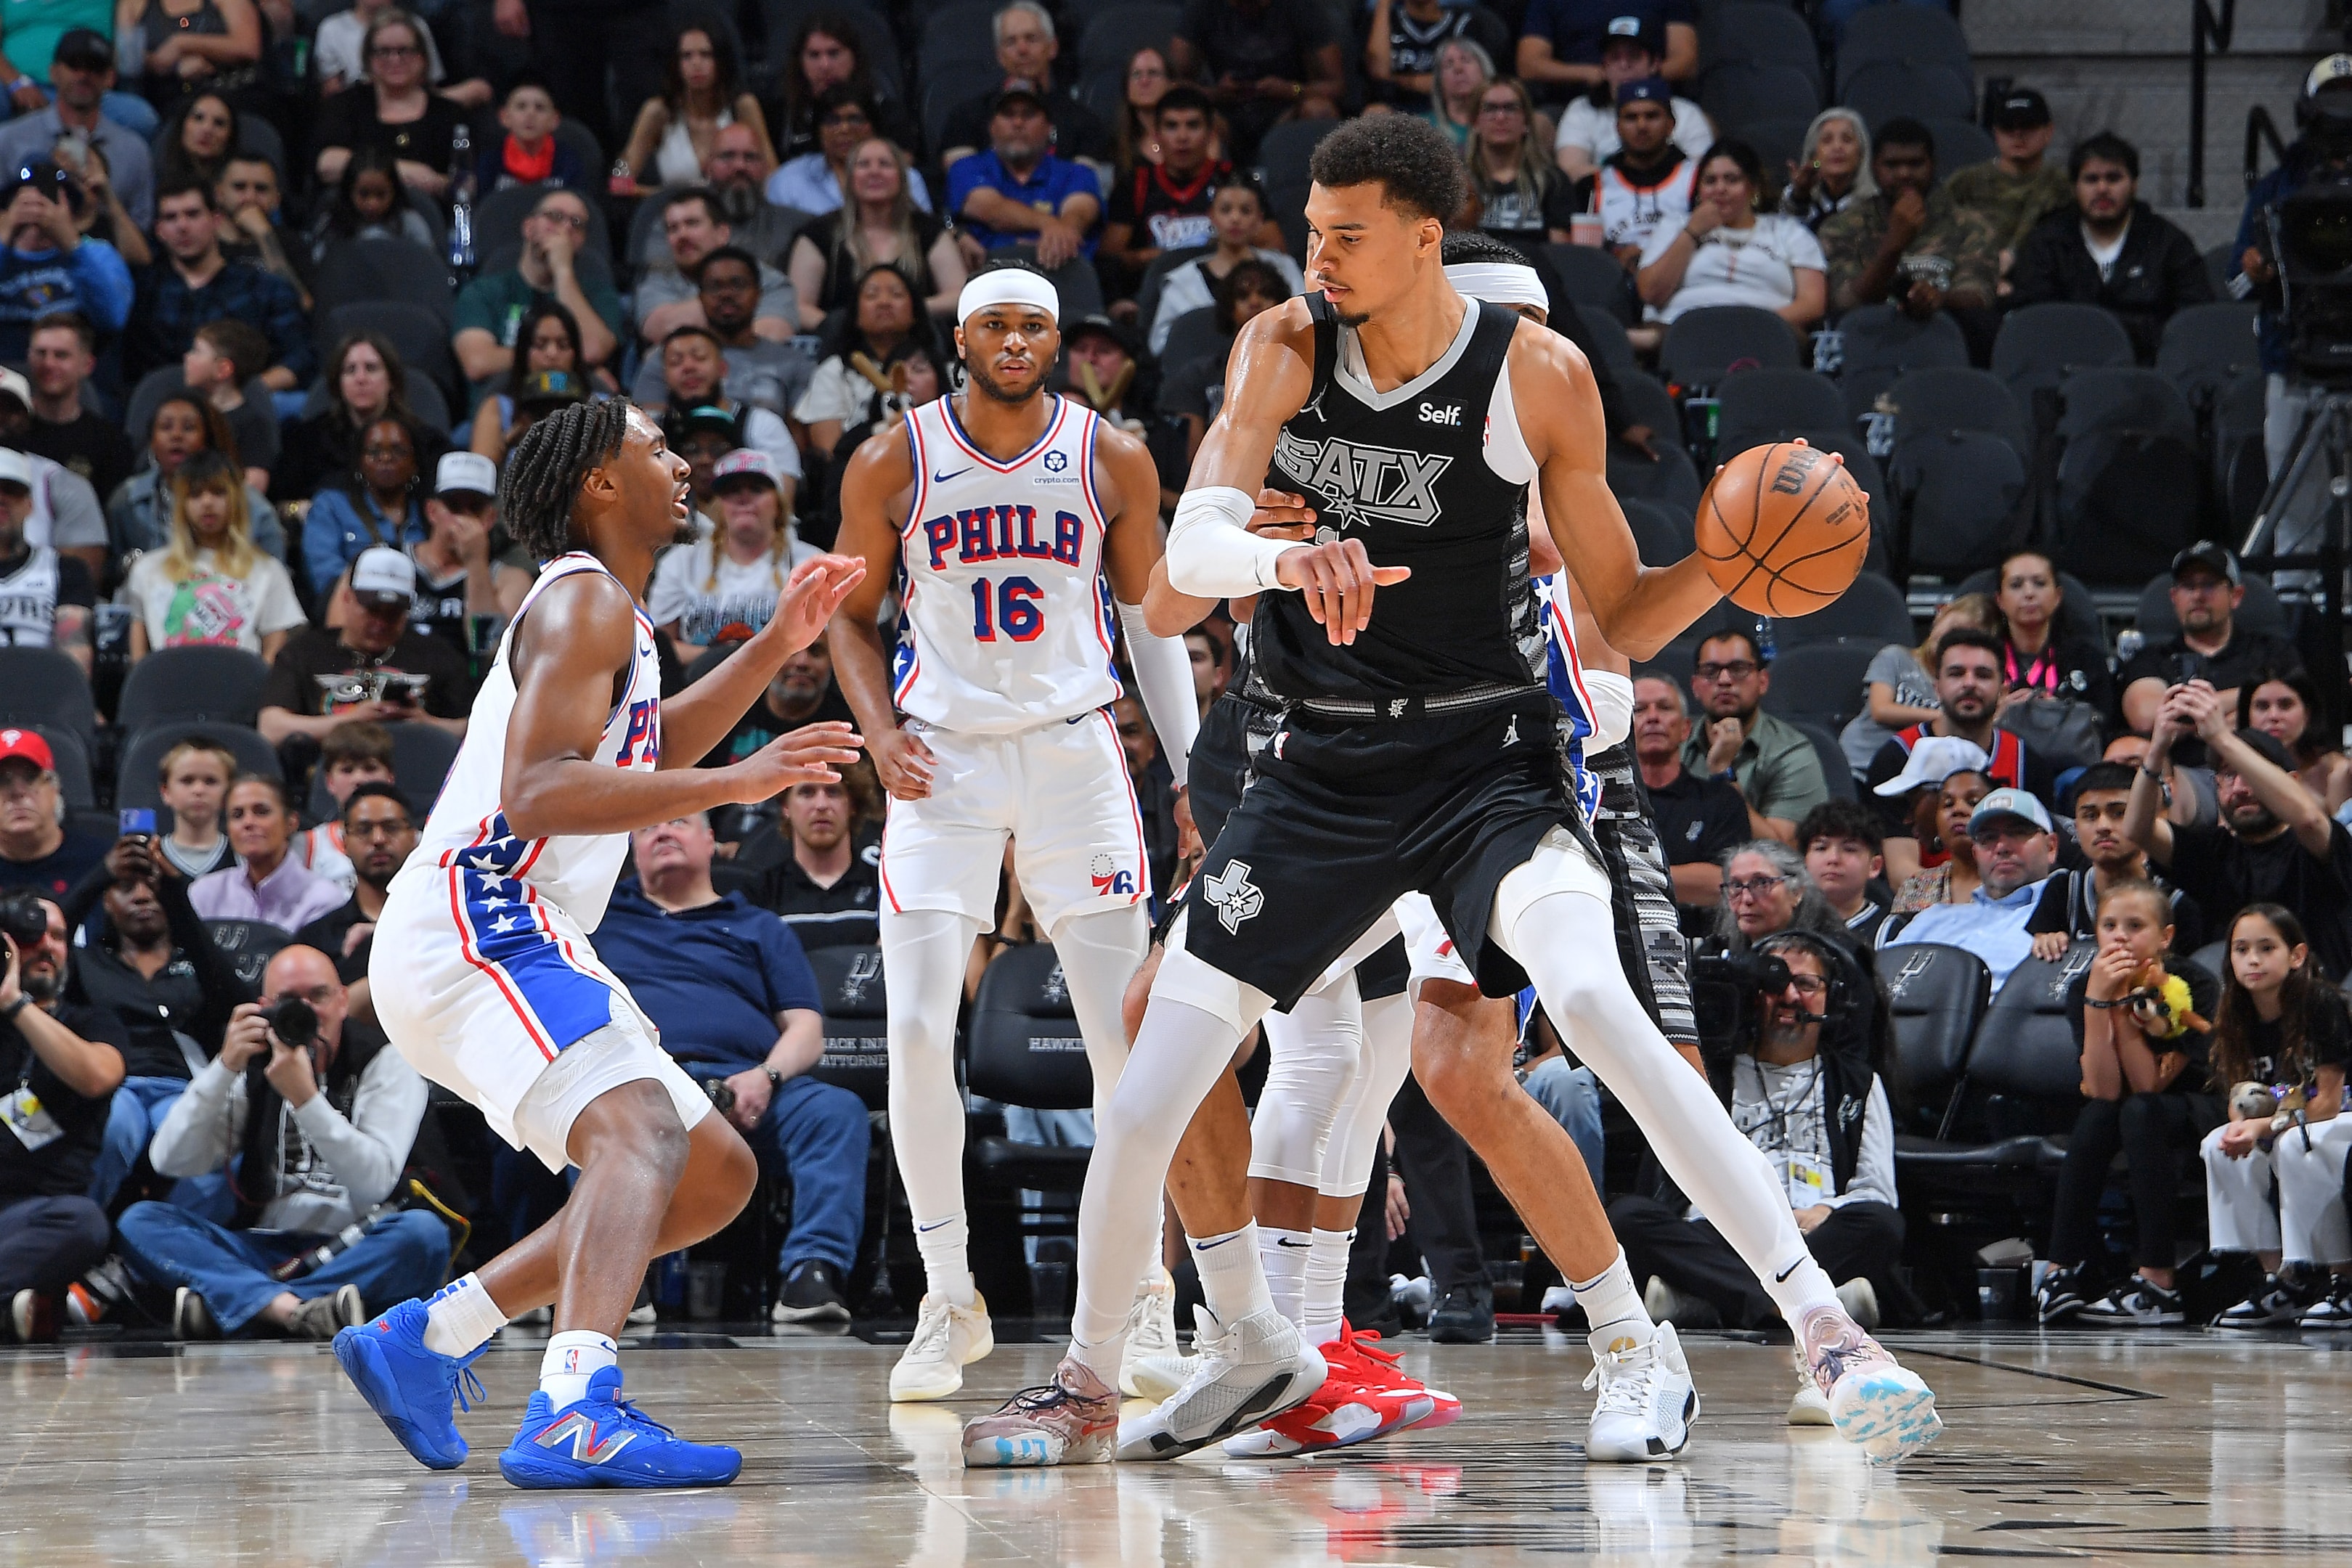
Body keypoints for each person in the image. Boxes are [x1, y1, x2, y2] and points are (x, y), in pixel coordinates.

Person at [963, 115, 1937, 1469]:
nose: (1313, 255)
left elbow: (1626, 610)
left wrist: (1727, 558)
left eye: (1341, 234)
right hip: (1317, 771)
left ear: (1427, 241)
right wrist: (1273, 558)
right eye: (1309, 229)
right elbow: (1181, 554)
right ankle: (1119, 1368)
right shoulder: (1281, 344)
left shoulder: (1535, 378)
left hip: (1486, 762)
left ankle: (1825, 1333)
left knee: (1572, 1012)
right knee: (1150, 1077)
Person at [335, 397, 866, 1489]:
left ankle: (428, 1339)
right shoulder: (582, 605)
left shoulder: (613, 615)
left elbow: (646, 745)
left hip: (511, 932)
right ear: (598, 482)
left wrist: (774, 645)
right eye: (658, 449)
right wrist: (738, 785)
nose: (683, 465)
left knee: (711, 1175)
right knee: (637, 1137)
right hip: (487, 916)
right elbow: (534, 796)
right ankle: (576, 1405)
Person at [829, 261, 1203, 1403]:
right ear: (959, 335)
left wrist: (1187, 773)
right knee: (911, 1032)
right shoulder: (895, 455)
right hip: (939, 758)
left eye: (1032, 325)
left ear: (1059, 342)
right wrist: (877, 729)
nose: (1012, 340)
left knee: (1120, 1043)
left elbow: (1150, 627)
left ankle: (1144, 1300)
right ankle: (950, 1300)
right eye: (993, 322)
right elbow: (848, 618)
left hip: (1072, 751)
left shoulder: (1111, 456)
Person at [593, 811, 868, 1323]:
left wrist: (766, 1077)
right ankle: (617, 1276)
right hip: (642, 1083)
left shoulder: (759, 927)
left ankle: (813, 1273)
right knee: (591, 1107)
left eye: (679, 822)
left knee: (834, 1110)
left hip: (747, 1084)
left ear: (710, 842)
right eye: (649, 826)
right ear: (631, 848)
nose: (664, 832)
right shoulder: (599, 923)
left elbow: (806, 1029)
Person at [1610, 931, 1904, 1401]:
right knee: (1627, 1218)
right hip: (1725, 1228)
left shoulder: (1856, 1082)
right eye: (1773, 983)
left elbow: (1877, 1189)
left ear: (1833, 996)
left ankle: (1709, 1298)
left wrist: (1827, 1210)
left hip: (1815, 1231)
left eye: (1806, 984)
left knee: (1881, 1225)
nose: (1789, 996)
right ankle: (1805, 1305)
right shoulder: (1712, 1072)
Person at [115, 944, 443, 1340]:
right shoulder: (254, 1064)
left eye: (317, 996)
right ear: (265, 1007)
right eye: (289, 1001)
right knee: (142, 1220)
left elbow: (375, 1181)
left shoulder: (385, 1062)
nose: (305, 1012)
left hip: (357, 1245)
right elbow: (170, 1159)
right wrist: (223, 1068)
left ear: (343, 1001)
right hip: (262, 1248)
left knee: (424, 1236)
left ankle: (246, 1304)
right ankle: (300, 1311)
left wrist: (306, 1100)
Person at [2032, 880, 2222, 1327]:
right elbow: (2102, 1088)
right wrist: (2099, 1001)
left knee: (2140, 1111)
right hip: (2127, 1107)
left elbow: (2149, 1084)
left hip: (2196, 1106)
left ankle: (2158, 1280)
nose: (2119, 936)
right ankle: (2062, 1270)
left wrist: (2118, 1006)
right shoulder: (2086, 984)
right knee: (2099, 1113)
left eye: (2135, 926)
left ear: (2165, 937)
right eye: (2109, 925)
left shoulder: (2191, 983)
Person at [65, 833, 245, 1210]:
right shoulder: (86, 963)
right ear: (107, 904)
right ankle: (82, 1239)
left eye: (152, 887)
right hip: (117, 1085)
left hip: (183, 1088)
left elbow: (237, 1001)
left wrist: (177, 892)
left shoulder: (195, 958)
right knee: (112, 1132)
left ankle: (163, 1238)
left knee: (216, 1153)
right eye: (126, 887)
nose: (142, 896)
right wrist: (101, 874)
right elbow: (44, 936)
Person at [2131, 683, 2352, 978]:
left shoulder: (2319, 841)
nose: (2240, 789)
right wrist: (2157, 749)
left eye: (2250, 775)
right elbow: (2137, 830)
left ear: (2290, 781)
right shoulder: (2213, 850)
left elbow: (2309, 819)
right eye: (2228, 775)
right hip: (2234, 1009)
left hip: (2318, 1006)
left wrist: (2221, 737)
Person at [2199, 905, 2352, 1328]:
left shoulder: (2320, 1003)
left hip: (2340, 1116)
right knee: (2218, 1143)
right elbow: (2242, 1095)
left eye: (2267, 948)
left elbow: (2327, 1102)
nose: (2252, 960)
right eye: (2241, 949)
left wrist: (2265, 1127)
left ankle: (2344, 1281)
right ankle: (2281, 1279)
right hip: (2292, 1119)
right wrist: (2242, 1126)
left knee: (2300, 1143)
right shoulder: (2236, 1011)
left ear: (2296, 955)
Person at [0, 891, 124, 1340]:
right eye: (33, 935)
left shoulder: (92, 1022)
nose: (48, 946)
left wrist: (16, 1005)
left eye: (59, 936)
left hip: (36, 1214)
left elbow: (97, 1076)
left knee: (84, 1222)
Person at [1865, 628, 2059, 880]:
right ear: (1936, 687)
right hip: (1922, 909)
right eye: (1956, 674)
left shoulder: (2028, 763)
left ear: (2003, 690)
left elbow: (2037, 863)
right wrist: (1963, 903)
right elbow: (1901, 875)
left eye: (1983, 675)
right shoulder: (1896, 757)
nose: (1969, 683)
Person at [2007, 132, 2212, 365]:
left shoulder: (2168, 242)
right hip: (2063, 368)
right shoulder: (2047, 241)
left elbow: (2194, 319)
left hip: (2148, 372)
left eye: (2114, 178)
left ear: (2134, 184)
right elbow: (2033, 318)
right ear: (2075, 187)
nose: (2102, 189)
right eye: (2091, 179)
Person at [256, 547, 471, 747]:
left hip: (415, 763)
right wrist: (351, 720)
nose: (380, 623)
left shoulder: (437, 654)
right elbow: (271, 727)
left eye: (392, 614)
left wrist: (427, 724)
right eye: (372, 610)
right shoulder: (304, 651)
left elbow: (474, 728)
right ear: (347, 599)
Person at [1818, 119, 2001, 353]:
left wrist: (1937, 299)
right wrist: (1893, 246)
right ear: (1874, 168)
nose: (1904, 174)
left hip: (1948, 346)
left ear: (1933, 165)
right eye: (1891, 165)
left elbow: (1979, 296)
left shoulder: (1971, 225)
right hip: (1870, 347)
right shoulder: (1841, 227)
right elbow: (1845, 302)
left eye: (1915, 164)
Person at [123, 177, 309, 388]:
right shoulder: (143, 290)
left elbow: (299, 360)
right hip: (160, 407)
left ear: (216, 220)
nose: (182, 226)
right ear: (159, 230)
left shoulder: (263, 287)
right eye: (171, 218)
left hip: (241, 409)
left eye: (193, 214)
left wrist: (244, 394)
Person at [121, 448, 303, 662]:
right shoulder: (147, 570)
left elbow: (274, 651)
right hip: (168, 691)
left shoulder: (268, 571)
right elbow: (139, 657)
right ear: (181, 504)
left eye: (218, 492)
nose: (207, 502)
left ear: (237, 499)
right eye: (195, 494)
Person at [2118, 542, 2303, 748]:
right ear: (2174, 597)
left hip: (2258, 766)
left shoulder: (2272, 651)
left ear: (2236, 596)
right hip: (2180, 771)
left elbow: (2297, 709)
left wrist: (2184, 718)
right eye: (2188, 586)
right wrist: (2248, 707)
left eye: (2209, 585)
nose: (2198, 596)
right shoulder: (2151, 658)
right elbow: (2146, 717)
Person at [452, 189, 622, 404]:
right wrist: (569, 363)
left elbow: (592, 350)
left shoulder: (598, 294)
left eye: (577, 224)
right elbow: (478, 361)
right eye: (555, 217)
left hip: (569, 416)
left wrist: (563, 271)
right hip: (502, 415)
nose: (566, 228)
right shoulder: (483, 292)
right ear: (529, 227)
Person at [1636, 137, 1825, 330]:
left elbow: (1812, 304)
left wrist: (1750, 327)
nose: (1720, 189)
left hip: (1763, 335)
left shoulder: (1789, 232)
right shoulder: (1674, 226)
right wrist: (1692, 232)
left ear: (1753, 188)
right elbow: (1650, 292)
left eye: (1732, 180)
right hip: (1681, 333)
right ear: (1699, 189)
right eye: (1710, 181)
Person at [1880, 788, 2058, 989]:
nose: (2002, 847)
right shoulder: (1931, 918)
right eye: (1988, 838)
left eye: (2018, 833)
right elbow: (1879, 981)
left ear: (2051, 847)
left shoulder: (2067, 917)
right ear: (1976, 854)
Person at [649, 449, 812, 660]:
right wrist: (727, 660)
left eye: (756, 489)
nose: (743, 498)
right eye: (732, 491)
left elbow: (821, 648)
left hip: (780, 683)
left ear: (779, 504)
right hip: (699, 681)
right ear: (718, 505)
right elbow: (660, 648)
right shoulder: (681, 562)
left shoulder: (808, 563)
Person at [2029, 762, 2202, 960]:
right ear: (2075, 826)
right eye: (2091, 816)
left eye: (2119, 813)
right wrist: (2045, 943)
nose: (2103, 826)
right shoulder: (2062, 891)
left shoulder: (2177, 902)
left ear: (2144, 819)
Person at [786, 137, 961, 330]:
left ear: (902, 177)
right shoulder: (818, 233)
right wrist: (845, 329)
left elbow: (958, 295)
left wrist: (906, 311)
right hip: (841, 348)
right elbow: (798, 306)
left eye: (885, 164)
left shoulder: (929, 230)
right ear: (850, 177)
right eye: (864, 165)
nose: (874, 172)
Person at [1683, 624, 1831, 844]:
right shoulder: (1675, 743)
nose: (1724, 680)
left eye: (1738, 669)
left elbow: (1782, 850)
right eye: (1710, 672)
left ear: (1763, 681)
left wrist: (1723, 774)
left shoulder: (1792, 753)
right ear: (1695, 686)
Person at [630, 250, 815, 422]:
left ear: (758, 294)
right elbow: (648, 432)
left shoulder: (793, 363)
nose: (726, 294)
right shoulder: (670, 359)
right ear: (700, 296)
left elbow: (798, 440)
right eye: (715, 287)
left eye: (738, 285)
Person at [0, 26, 151, 228]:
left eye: (94, 67)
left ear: (110, 78)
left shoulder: (134, 151)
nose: (83, 75)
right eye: (74, 65)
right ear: (53, 72)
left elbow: (143, 237)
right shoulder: (10, 139)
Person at [935, 1, 1113, 171]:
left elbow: (1086, 195)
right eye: (1011, 42)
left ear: (1053, 47)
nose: (1022, 49)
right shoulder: (966, 118)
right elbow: (966, 191)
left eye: (1031, 39)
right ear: (999, 55)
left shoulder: (1084, 123)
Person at [312, 9, 467, 200]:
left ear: (422, 57)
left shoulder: (448, 112)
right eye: (384, 52)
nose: (395, 60)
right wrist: (405, 172)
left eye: (404, 51)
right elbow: (327, 164)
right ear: (369, 58)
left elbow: (464, 180)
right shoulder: (346, 105)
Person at [1839, 592, 1996, 779]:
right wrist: (1945, 716)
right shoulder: (1895, 657)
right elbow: (1881, 709)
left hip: (1910, 776)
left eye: (1964, 640)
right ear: (1941, 614)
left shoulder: (1956, 688)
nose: (1951, 640)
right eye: (1953, 629)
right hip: (1858, 762)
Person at [794, 265, 943, 462]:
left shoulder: (942, 368)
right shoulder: (834, 371)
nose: (884, 302)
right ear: (855, 315)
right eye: (872, 296)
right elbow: (829, 451)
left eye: (896, 295)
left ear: (915, 311)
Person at [294, 783, 416, 1021]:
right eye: (364, 829)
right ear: (344, 842)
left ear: (414, 836)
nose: (379, 839)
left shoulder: (445, 925)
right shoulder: (315, 940)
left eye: (391, 828)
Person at [948, 85, 1102, 269]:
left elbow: (1080, 213)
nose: (1018, 123)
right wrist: (1051, 225)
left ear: (1049, 128)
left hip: (1060, 275)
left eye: (1029, 114)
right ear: (992, 128)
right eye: (1008, 114)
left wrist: (1064, 231)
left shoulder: (1076, 173)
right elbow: (992, 210)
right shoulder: (967, 167)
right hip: (990, 277)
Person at [1170, 0, 1343, 163]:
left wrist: (1291, 90)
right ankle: (1209, 188)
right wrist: (1217, 94)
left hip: (1286, 112)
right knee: (1186, 116)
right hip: (1225, 114)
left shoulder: (1301, 6)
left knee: (1320, 110)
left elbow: (1336, 85)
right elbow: (1174, 86)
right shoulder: (1204, 6)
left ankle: (1312, 186)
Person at [1147, 175, 1301, 356]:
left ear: (1259, 219)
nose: (1235, 218)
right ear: (1211, 216)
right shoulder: (1181, 282)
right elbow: (1159, 346)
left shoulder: (1284, 269)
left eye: (1245, 211)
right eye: (1226, 210)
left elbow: (1304, 325)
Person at [1631, 674, 1746, 909]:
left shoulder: (1721, 801)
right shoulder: (1604, 803)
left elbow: (1725, 884)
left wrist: (1628, 876)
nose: (1652, 718)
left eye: (1664, 708)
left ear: (1685, 729)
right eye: (1639, 710)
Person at [617, 22, 774, 193]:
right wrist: (663, 196)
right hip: (676, 215)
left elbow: (773, 175)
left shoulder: (743, 106)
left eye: (706, 55)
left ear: (721, 61)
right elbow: (619, 179)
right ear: (675, 64)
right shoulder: (657, 111)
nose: (696, 64)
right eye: (686, 56)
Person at [0, 158, 131, 363]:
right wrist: (5, 236)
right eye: (26, 201)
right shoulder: (4, 254)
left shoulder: (98, 253)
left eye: (51, 199)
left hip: (78, 377)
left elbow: (113, 317)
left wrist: (72, 245)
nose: (38, 208)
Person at [276, 330, 427, 507]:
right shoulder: (305, 440)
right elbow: (278, 503)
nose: (361, 379)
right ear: (338, 383)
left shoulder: (421, 440)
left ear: (391, 380)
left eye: (371, 368)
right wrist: (298, 510)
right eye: (350, 370)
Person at [407, 452, 529, 667]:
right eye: (453, 506)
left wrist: (476, 563)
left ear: (490, 518)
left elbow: (486, 646)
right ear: (432, 511)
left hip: (462, 691)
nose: (463, 519)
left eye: (475, 508)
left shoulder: (509, 579)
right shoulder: (392, 561)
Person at [1101, 86, 1227, 293]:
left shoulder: (1232, 180)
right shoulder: (1135, 184)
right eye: (1172, 126)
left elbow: (1271, 249)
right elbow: (1110, 258)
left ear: (1210, 133)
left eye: (1193, 126)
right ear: (1156, 135)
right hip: (1153, 294)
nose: (1182, 137)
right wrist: (1142, 258)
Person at [635, 189, 799, 349]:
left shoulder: (770, 281)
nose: (682, 235)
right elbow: (657, 329)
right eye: (673, 228)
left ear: (723, 233)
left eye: (692, 224)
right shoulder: (657, 282)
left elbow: (772, 336)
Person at [1550, 15, 1705, 181]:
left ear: (1654, 64)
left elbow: (1703, 173)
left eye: (1634, 56)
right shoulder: (1582, 110)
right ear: (1603, 67)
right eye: (1615, 58)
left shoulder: (1687, 113)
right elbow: (1570, 170)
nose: (1624, 65)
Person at [189, 777, 349, 933]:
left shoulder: (323, 898)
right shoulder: (205, 892)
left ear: (291, 823)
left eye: (261, 812)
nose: (248, 822)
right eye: (237, 815)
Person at [1941, 86, 2070, 279]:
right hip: (1968, 274)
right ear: (1996, 133)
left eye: (2028, 126)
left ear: (2048, 132)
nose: (2018, 135)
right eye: (2008, 127)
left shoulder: (2060, 185)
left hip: (2038, 276)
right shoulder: (1966, 181)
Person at [302, 415, 428, 599]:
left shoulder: (430, 513)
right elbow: (326, 577)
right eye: (374, 452)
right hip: (352, 610)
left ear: (415, 463)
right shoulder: (330, 507)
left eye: (398, 451)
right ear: (359, 462)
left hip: (419, 611)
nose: (385, 458)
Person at [754, 775, 881, 950]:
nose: (821, 805)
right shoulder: (760, 893)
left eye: (833, 792)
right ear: (786, 807)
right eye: (807, 792)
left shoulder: (883, 888)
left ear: (852, 805)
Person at [767, 10, 908, 166]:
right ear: (800, 62)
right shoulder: (783, 115)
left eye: (834, 54)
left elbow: (902, 169)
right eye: (814, 55)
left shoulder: (885, 111)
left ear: (854, 58)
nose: (825, 66)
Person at [765, 86, 932, 218]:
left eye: (855, 119)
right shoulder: (786, 181)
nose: (844, 129)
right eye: (832, 120)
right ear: (818, 130)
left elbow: (924, 240)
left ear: (873, 127)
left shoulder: (908, 179)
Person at [22, 311, 131, 504]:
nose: (48, 363)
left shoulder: (110, 444)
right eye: (41, 353)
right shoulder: (9, 432)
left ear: (87, 364)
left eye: (61, 355)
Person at [0, 447, 91, 675]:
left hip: (42, 698)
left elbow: (75, 654)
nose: (1, 500)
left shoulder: (65, 570)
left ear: (29, 505)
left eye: (11, 490)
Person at [1991, 549, 2113, 716]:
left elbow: (2104, 721)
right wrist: (1994, 714)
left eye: (2040, 583)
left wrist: (2061, 712)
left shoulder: (2086, 658)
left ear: (2057, 596)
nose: (2029, 593)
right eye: (2016, 585)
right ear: (2000, 600)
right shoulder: (1982, 658)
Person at [1587, 78, 1696, 266]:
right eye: (1631, 118)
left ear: (1671, 125)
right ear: (1617, 127)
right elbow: (1585, 257)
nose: (1641, 126)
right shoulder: (1592, 186)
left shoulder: (1697, 179)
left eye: (1651, 116)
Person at [1465, 77, 1580, 250]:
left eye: (1511, 108)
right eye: (1490, 109)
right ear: (1475, 122)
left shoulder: (1554, 181)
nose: (1501, 117)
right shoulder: (1459, 181)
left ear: (1526, 121)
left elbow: (1561, 254)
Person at [467, 302, 582, 462]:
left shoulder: (602, 406)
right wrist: (507, 443)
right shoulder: (498, 407)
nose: (552, 353)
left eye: (563, 345)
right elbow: (479, 474)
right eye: (540, 345)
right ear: (523, 352)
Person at [288, 721, 394, 894]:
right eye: (347, 770)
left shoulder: (418, 843)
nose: (359, 779)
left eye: (370, 768)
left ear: (390, 777)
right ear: (330, 782)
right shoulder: (308, 845)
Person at [1517, 0, 1695, 99]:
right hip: (1575, 101)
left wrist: (1637, 78)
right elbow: (1529, 65)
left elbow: (1686, 62)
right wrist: (1595, 74)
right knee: (1539, 125)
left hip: (1655, 98)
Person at [1367, 0, 1508, 119]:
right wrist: (1384, 4)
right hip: (1397, 111)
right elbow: (1379, 72)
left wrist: (1400, 81)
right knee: (1375, 114)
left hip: (1451, 111)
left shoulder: (1464, 23)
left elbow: (1470, 81)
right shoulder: (1384, 21)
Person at [2243, 666, 2352, 814]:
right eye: (2262, 707)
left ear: (2308, 713)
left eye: (2285, 705)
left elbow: (2338, 836)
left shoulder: (2336, 771)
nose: (2273, 716)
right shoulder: (2232, 772)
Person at [180, 318, 276, 486]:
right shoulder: (188, 414)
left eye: (197, 351)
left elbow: (255, 486)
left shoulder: (253, 424)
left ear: (223, 369)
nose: (187, 356)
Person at [1887, 759, 1990, 914]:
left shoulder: (2015, 884)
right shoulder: (1916, 887)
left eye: (1973, 802)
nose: (1959, 810)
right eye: (1948, 804)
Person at [303, 147, 435, 264]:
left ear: (395, 192)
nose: (372, 204)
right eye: (364, 194)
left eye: (381, 195)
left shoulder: (409, 223)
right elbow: (319, 265)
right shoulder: (332, 224)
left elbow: (428, 266)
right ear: (349, 191)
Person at [474, 73, 580, 195]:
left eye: (540, 108)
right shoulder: (490, 162)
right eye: (521, 107)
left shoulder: (568, 161)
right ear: (504, 117)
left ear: (555, 120)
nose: (530, 114)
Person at [1799, 801, 1889, 944]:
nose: (1833, 859)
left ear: (1875, 866)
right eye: (1821, 848)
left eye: (1850, 849)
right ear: (1804, 861)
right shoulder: (1785, 924)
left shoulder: (1891, 930)